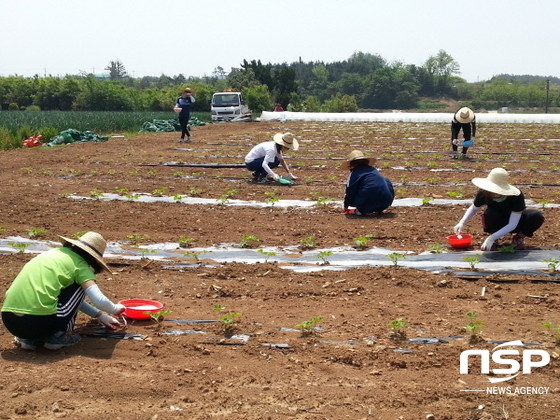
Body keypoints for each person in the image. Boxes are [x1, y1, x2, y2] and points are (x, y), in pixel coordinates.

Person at [1, 232, 126, 351]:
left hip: (11, 321)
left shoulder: (51, 254)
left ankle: (28, 340)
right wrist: (116, 309)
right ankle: (60, 336)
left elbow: (67, 300)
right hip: (39, 322)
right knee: (79, 286)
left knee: (53, 293)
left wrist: (100, 315)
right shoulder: (80, 265)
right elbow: (99, 301)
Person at [454, 168, 544, 251]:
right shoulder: (483, 192)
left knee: (536, 216)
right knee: (490, 213)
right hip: (496, 221)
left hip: (514, 221)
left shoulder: (516, 196)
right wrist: (462, 222)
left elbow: (512, 224)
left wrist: (491, 237)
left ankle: (518, 238)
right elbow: (474, 208)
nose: (493, 193)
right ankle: (494, 240)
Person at [343, 150, 395, 216]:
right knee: (385, 180)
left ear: (352, 164)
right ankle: (376, 208)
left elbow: (350, 192)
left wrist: (346, 206)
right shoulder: (373, 170)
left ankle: (360, 210)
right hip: (385, 202)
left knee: (352, 208)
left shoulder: (354, 174)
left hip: (366, 202)